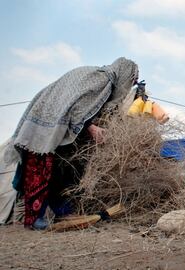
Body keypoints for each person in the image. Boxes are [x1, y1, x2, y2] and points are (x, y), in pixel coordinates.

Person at [4, 57, 139, 229]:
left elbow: (83, 107)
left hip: (57, 125)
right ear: (124, 72)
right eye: (131, 79)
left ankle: (64, 213)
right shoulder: (102, 79)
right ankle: (34, 219)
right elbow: (77, 107)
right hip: (47, 124)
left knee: (62, 171)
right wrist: (91, 128)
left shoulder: (100, 77)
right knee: (41, 170)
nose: (129, 85)